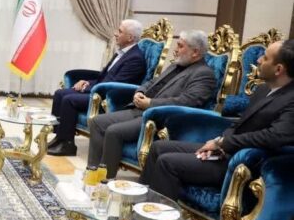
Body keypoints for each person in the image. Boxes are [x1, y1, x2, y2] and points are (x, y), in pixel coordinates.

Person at [131, 40, 294, 220]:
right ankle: (142, 217)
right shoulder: (264, 89)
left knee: (167, 163)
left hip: (243, 166)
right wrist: (220, 141)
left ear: (279, 69)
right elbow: (239, 124)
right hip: (226, 151)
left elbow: (276, 137)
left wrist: (224, 144)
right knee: (158, 147)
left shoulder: (291, 99)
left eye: (265, 57)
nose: (258, 59)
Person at [87, 30, 217, 178]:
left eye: (180, 46)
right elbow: (153, 82)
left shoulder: (204, 74)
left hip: (159, 119)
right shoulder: (176, 65)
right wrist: (140, 91)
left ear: (195, 52)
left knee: (114, 131)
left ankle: (104, 179)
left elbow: (188, 101)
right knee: (97, 122)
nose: (175, 49)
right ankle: (92, 171)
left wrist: (150, 103)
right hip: (141, 110)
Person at [48, 19, 147, 156]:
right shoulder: (122, 52)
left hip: (110, 98)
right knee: (60, 93)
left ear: (130, 38)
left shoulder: (135, 59)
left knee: (69, 100)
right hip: (100, 90)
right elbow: (104, 77)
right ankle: (59, 137)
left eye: (120, 31)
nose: (115, 34)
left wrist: (88, 89)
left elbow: (114, 84)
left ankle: (67, 144)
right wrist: (87, 83)